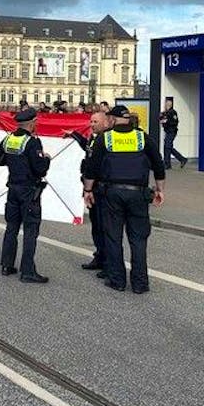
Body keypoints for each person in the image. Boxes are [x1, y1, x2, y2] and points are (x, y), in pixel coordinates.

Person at [82, 105, 166, 294]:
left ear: (111, 120)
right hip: (138, 194)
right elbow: (158, 164)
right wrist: (160, 189)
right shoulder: (141, 137)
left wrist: (88, 190)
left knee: (113, 237)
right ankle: (140, 283)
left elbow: (92, 167)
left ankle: (117, 279)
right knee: (138, 239)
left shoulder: (106, 138)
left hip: (112, 194)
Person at [0, 108, 52, 283]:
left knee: (11, 227)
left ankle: (7, 265)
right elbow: (40, 168)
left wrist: (15, 162)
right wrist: (47, 159)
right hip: (29, 191)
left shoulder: (9, 139)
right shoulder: (32, 142)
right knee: (30, 230)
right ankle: (27, 271)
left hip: (13, 188)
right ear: (32, 123)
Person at [64, 111, 112, 275]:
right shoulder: (93, 137)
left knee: (104, 226)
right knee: (96, 225)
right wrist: (75, 135)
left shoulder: (107, 139)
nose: (92, 124)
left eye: (95, 121)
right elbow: (87, 148)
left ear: (105, 123)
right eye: (91, 121)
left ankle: (108, 262)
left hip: (101, 187)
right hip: (91, 187)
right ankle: (99, 256)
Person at [159, 97, 188, 169]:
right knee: (169, 147)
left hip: (172, 131)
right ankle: (182, 159)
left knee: (167, 147)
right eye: (166, 104)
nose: (166, 105)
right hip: (168, 131)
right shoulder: (165, 112)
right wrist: (161, 118)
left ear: (170, 105)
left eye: (168, 104)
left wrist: (166, 121)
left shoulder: (173, 112)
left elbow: (175, 122)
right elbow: (161, 119)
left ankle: (167, 164)